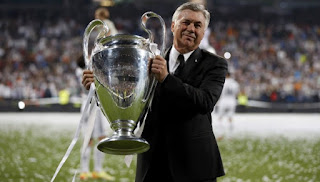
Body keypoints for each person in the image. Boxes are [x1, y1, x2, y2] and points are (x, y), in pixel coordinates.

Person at [82, 2, 227, 182]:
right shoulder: (147, 61)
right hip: (153, 163)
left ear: (203, 32)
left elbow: (204, 102)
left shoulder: (215, 64)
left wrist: (167, 78)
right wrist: (99, 89)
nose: (191, 28)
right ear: (173, 26)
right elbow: (131, 102)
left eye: (198, 25)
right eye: (186, 22)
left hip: (193, 165)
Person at [76, 56, 115, 181]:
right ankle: (93, 170)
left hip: (89, 106)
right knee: (97, 139)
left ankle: (87, 171)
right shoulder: (86, 71)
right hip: (93, 107)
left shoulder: (81, 71)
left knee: (93, 139)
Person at [214, 72, 240, 140]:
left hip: (223, 101)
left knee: (220, 118)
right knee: (230, 118)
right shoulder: (235, 83)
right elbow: (237, 93)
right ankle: (230, 136)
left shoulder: (222, 82)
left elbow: (219, 92)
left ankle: (220, 135)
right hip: (232, 101)